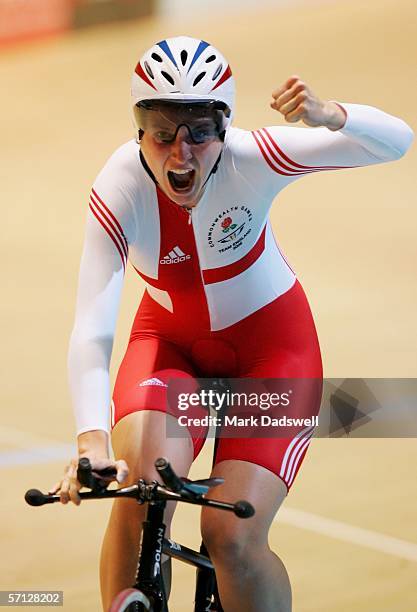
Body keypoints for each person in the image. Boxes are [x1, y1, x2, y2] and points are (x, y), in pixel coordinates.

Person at [49, 36, 413, 611]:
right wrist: (91, 439)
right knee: (139, 494)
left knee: (233, 537)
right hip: (168, 344)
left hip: (273, 353)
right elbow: (92, 326)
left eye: (199, 131)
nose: (180, 153)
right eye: (162, 130)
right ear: (137, 127)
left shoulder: (255, 156)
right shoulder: (118, 185)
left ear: (225, 127)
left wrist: (329, 115)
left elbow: (398, 142)